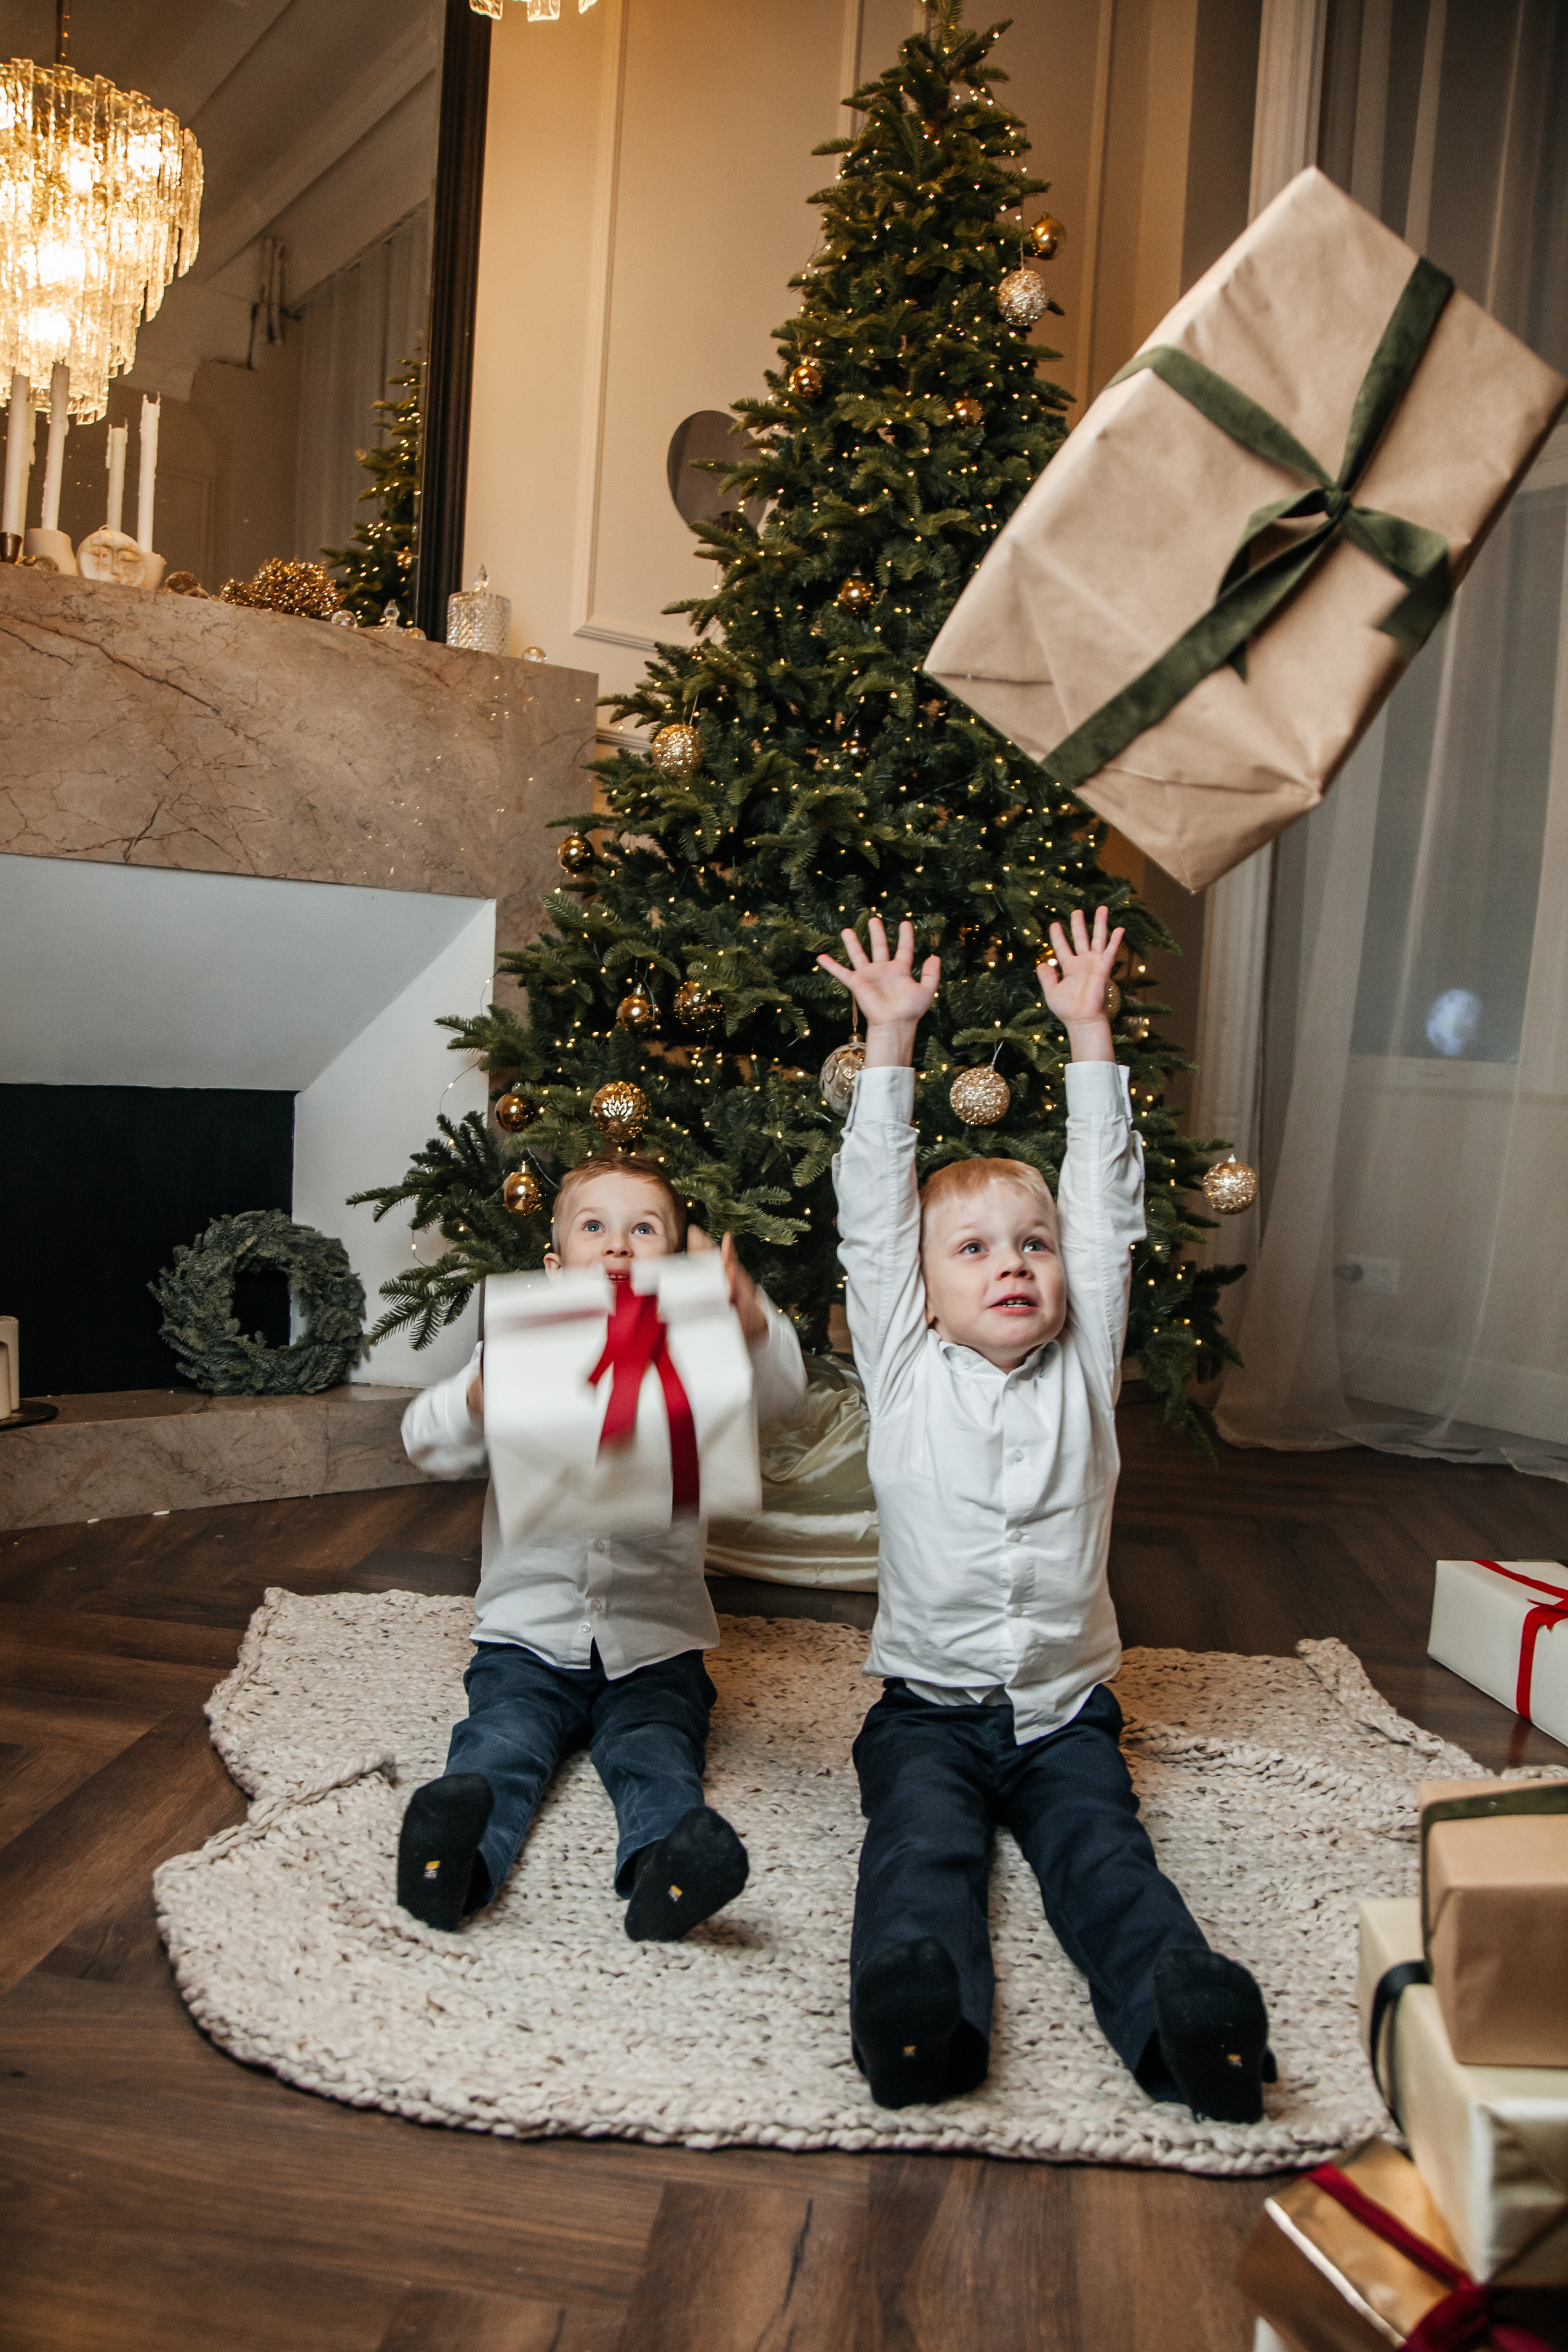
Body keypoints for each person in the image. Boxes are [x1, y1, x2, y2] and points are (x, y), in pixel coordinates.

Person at [817, 910, 1273, 2119]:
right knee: (919, 1857)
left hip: (1066, 1714)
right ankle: (919, 2014)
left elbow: (1105, 1210)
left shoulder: (1082, 1366)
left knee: (1104, 1857)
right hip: (926, 1707)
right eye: (968, 1249)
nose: (1009, 1262)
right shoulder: (904, 1366)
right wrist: (888, 1040)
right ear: (919, 1294)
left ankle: (1180, 2010)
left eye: (1029, 1246)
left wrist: (1089, 1037)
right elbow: (871, 1215)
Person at [397, 1153, 807, 1941]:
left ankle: (668, 1869)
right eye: (594, 1228)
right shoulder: (515, 1355)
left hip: (655, 1640)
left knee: (658, 1752)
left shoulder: (698, 1356)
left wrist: (749, 1318)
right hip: (526, 1638)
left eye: (644, 1230)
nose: (618, 1247)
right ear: (554, 1269)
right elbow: (424, 1442)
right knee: (498, 1743)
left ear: (679, 1257)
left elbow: (784, 1398)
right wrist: (480, 1398)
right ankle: (454, 1864)